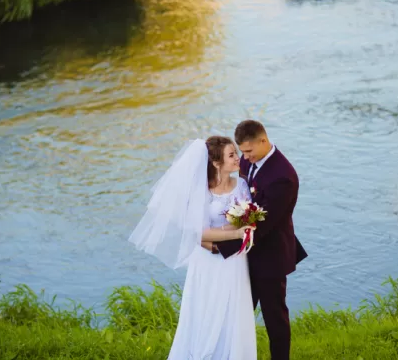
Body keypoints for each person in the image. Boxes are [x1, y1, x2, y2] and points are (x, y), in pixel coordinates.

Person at [129, 136, 257, 359]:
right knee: (206, 308)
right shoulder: (202, 191)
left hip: (234, 261)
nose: (238, 158)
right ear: (216, 163)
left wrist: (235, 230)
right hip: (207, 262)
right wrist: (234, 232)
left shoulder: (242, 185)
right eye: (231, 155)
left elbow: (248, 221)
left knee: (232, 310)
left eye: (236, 153)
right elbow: (198, 232)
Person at [209, 120, 308, 360]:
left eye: (249, 151)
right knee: (238, 313)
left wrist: (217, 246)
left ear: (263, 141)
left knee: (274, 316)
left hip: (270, 256)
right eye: (241, 152)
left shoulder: (283, 177)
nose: (245, 157)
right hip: (244, 256)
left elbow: (262, 224)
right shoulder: (248, 160)